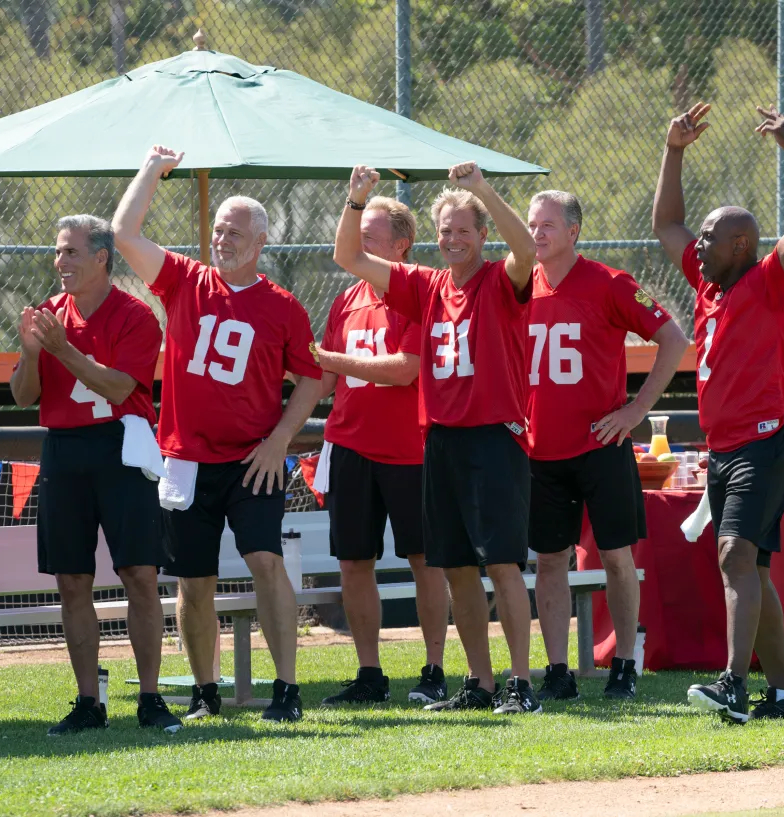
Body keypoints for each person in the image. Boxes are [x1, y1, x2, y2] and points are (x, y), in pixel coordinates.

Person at [112, 146, 323, 723]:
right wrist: (152, 170)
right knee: (193, 582)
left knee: (265, 562)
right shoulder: (184, 280)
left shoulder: (281, 306)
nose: (222, 239)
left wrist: (280, 440)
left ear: (259, 243)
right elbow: (124, 233)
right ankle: (206, 691)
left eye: (234, 232)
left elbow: (313, 378)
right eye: (218, 229)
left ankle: (286, 689)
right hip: (184, 457)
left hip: (253, 460)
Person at [334, 162, 540, 715]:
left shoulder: (501, 278)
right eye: (445, 230)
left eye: (463, 230)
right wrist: (356, 201)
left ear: (481, 235)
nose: (453, 240)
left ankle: (520, 683)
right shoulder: (425, 284)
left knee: (501, 564)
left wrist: (482, 191)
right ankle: (481, 683)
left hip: (493, 439)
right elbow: (349, 258)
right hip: (442, 439)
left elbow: (527, 251)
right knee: (455, 567)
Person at [652, 103, 784, 723]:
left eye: (711, 237)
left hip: (765, 440)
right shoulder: (710, 282)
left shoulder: (771, 281)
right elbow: (667, 223)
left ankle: (731, 684)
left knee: (735, 559)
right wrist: (674, 151)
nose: (698, 243)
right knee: (756, 569)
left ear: (742, 244)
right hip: (727, 448)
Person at [10, 214, 181, 735]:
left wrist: (61, 347)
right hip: (64, 450)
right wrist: (33, 350)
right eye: (58, 252)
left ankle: (149, 698)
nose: (60, 262)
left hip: (120, 450)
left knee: (139, 575)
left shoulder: (134, 316)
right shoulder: (46, 315)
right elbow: (23, 396)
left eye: (71, 252)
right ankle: (89, 702)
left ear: (102, 257)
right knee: (71, 579)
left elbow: (116, 388)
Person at [525, 190, 688, 702]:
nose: (537, 234)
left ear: (573, 231)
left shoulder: (610, 283)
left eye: (548, 225)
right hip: (539, 449)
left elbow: (674, 338)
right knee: (549, 560)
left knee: (616, 556)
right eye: (532, 224)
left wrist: (636, 411)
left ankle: (623, 663)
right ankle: (556, 669)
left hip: (600, 444)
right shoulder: (515, 285)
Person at [317, 194, 451, 706]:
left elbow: (406, 370)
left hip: (411, 450)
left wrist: (331, 359)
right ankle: (369, 673)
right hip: (351, 446)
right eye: (357, 233)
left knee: (424, 561)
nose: (359, 243)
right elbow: (324, 379)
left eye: (369, 235)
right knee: (354, 562)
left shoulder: (420, 293)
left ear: (400, 244)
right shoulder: (346, 300)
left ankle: (434, 668)